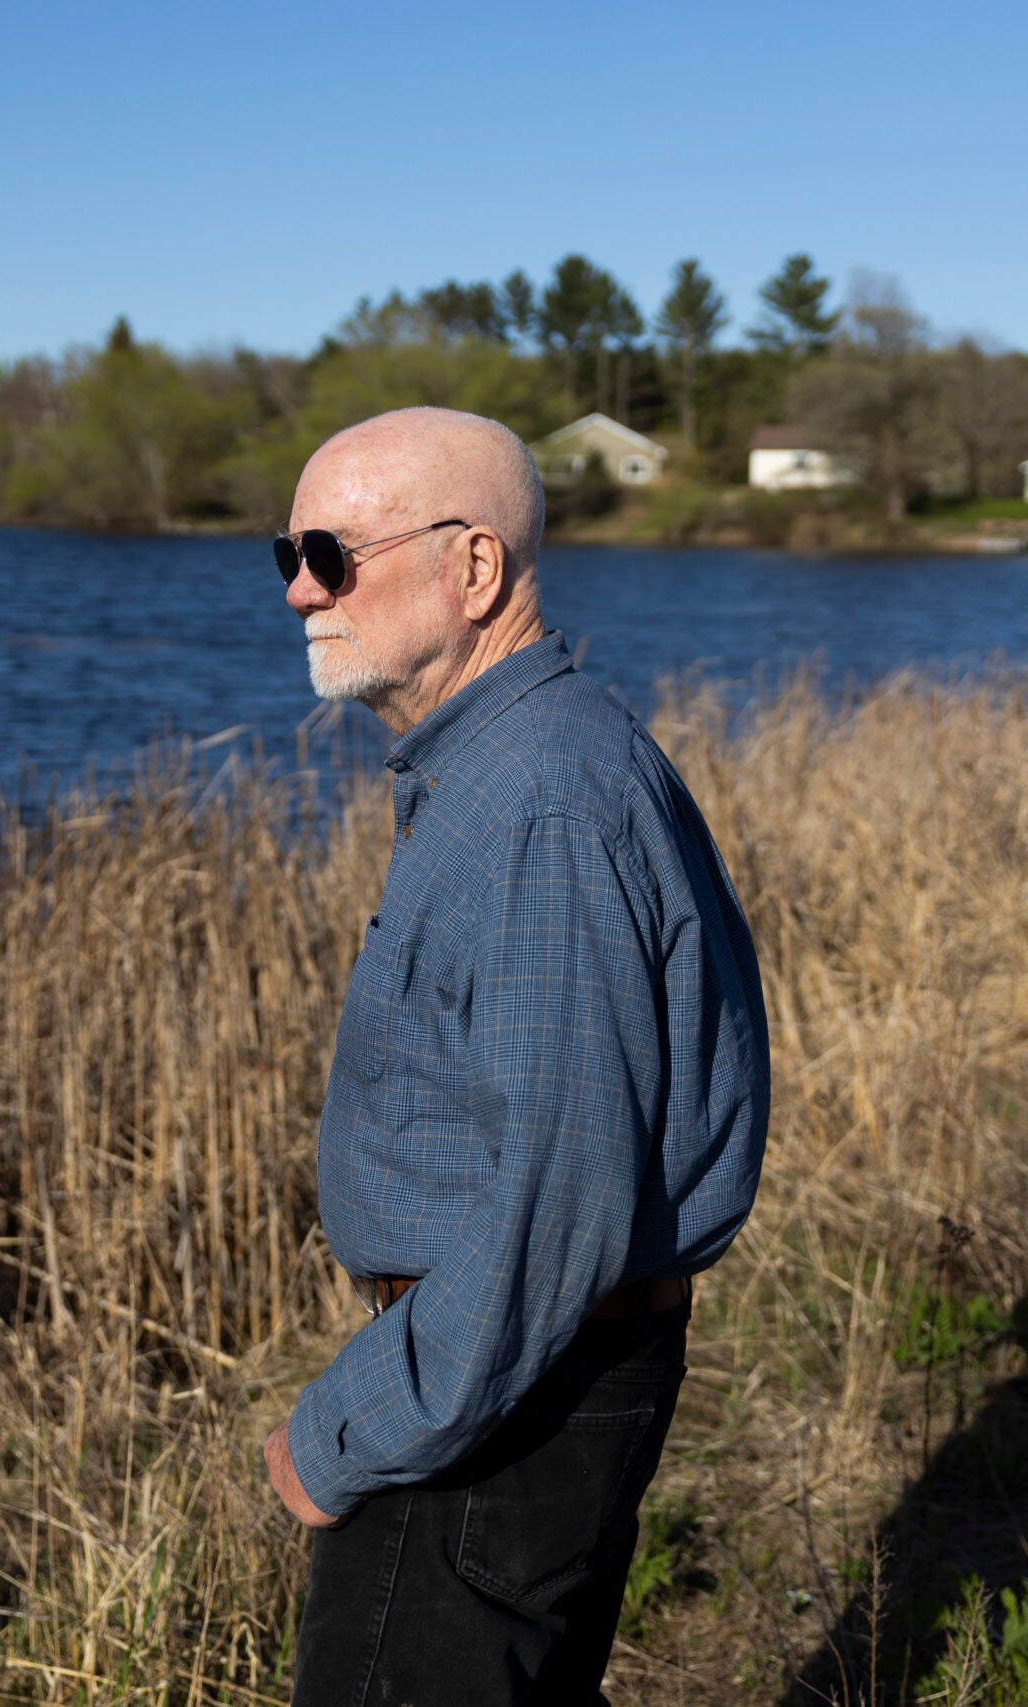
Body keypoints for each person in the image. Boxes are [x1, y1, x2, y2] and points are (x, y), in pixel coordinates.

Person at [262, 407, 770, 1704]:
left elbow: (563, 1202)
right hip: (513, 1383)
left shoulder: (542, 799)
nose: (303, 589)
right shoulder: (506, 765)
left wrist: (348, 1430)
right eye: (287, 555)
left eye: (333, 552)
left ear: (474, 569)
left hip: (499, 1409)